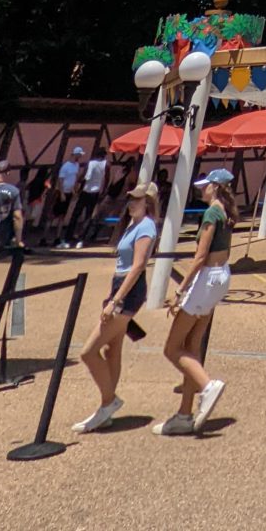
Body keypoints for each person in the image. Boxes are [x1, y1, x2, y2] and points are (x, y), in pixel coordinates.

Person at [72, 180, 159, 432]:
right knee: (113, 349)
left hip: (128, 292)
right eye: (130, 198)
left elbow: (139, 265)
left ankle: (110, 401)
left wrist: (115, 300)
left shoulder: (146, 227)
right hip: (120, 285)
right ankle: (105, 406)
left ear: (148, 203)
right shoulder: (133, 225)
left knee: (89, 351)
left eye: (137, 199)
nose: (131, 202)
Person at [154, 168, 234, 436]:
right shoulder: (227, 213)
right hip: (221, 276)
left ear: (215, 186)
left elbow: (200, 257)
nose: (202, 189)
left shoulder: (212, 213)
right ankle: (184, 413)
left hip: (207, 277)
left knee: (172, 347)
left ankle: (207, 385)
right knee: (192, 346)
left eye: (205, 186)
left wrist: (180, 290)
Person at [0, 162, 24, 256]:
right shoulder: (13, 191)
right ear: (7, 173)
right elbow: (17, 217)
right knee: (19, 255)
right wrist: (18, 240)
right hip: (1, 240)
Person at [55, 145, 83, 247]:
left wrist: (74, 191)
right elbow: (60, 180)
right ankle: (46, 236)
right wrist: (61, 193)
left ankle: (58, 236)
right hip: (63, 192)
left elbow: (74, 179)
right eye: (79, 155)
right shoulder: (65, 166)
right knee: (55, 214)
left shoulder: (76, 165)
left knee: (63, 215)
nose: (79, 157)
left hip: (69, 192)